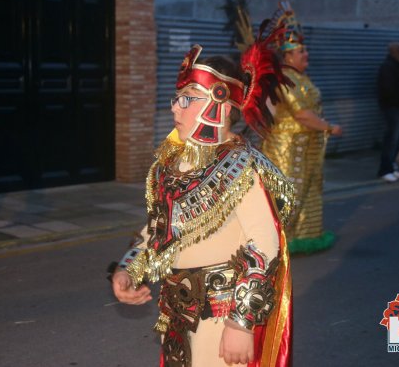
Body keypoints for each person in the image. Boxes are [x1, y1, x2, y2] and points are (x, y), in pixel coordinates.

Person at [111, 32, 294, 367]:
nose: (174, 106)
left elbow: (265, 244)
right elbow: (158, 229)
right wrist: (127, 269)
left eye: (188, 98)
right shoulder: (168, 166)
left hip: (221, 319)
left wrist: (241, 321)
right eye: (177, 97)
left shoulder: (242, 167)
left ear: (219, 104)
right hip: (177, 317)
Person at [260, 1, 342, 254]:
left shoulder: (299, 77)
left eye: (305, 50)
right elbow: (303, 115)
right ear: (287, 56)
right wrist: (328, 127)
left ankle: (304, 235)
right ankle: (275, 239)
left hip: (304, 147)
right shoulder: (285, 79)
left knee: (307, 189)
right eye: (301, 51)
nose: (306, 55)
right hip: (288, 148)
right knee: (288, 191)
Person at [376, 42, 399, 182]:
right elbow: (388, 89)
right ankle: (385, 169)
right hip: (392, 108)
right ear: (393, 52)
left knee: (396, 139)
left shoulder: (395, 66)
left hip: (398, 107)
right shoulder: (388, 67)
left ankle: (390, 166)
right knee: (391, 139)